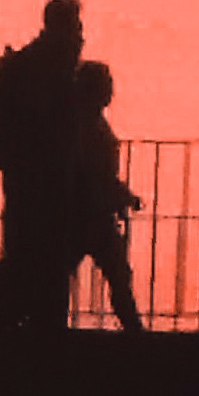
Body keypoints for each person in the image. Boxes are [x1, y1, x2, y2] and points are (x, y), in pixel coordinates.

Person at [0, 0, 85, 331]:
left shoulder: (32, 64)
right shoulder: (47, 69)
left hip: (27, 172)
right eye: (77, 26)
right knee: (38, 256)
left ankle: (2, 314)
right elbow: (50, 127)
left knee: (32, 254)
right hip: (39, 175)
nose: (81, 35)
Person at [62, 61, 144, 332]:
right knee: (117, 272)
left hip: (84, 212)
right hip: (91, 214)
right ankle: (133, 328)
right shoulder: (91, 127)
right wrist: (124, 197)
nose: (111, 91)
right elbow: (98, 173)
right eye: (106, 85)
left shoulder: (84, 123)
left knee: (63, 271)